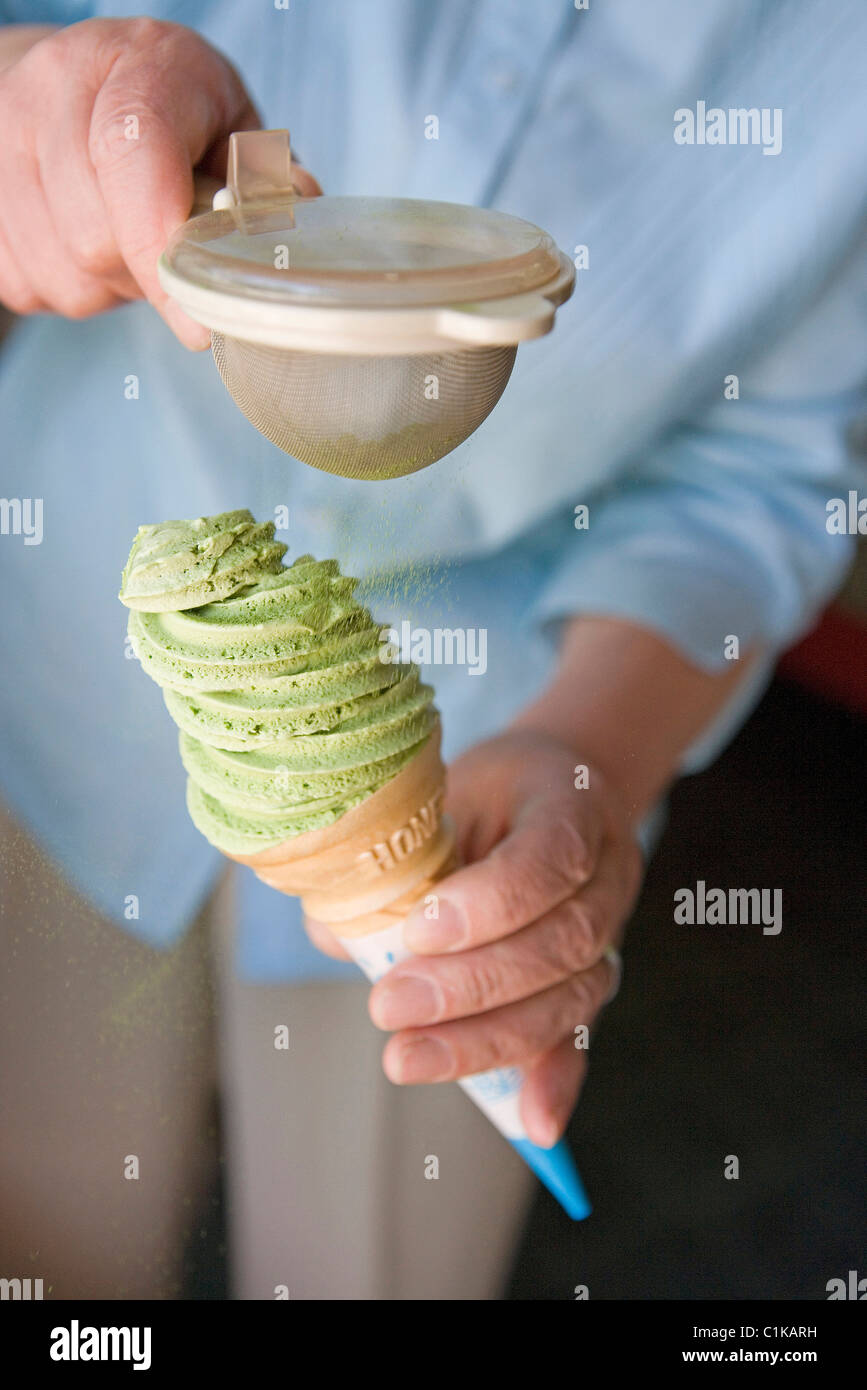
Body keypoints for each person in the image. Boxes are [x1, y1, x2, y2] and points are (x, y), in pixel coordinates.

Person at [0, 2, 864, 1300]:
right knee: (48, 1246)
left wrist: (589, 745)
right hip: (68, 662)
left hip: (487, 781)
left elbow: (762, 473)